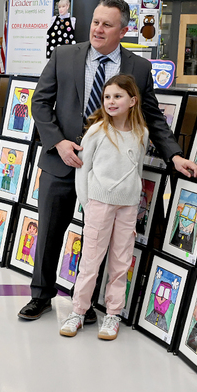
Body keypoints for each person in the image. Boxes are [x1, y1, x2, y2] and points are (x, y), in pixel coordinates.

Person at [18, 0, 197, 322]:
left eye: (107, 24)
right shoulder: (64, 55)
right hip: (63, 161)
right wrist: (58, 142)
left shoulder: (139, 69)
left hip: (107, 171)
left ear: (124, 30)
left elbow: (152, 116)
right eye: (96, 22)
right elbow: (40, 102)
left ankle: (83, 304)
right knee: (48, 231)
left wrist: (174, 155)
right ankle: (40, 295)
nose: (98, 29)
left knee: (98, 238)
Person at [60, 74, 151, 341]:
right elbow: (83, 170)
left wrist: (133, 199)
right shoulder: (98, 130)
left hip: (128, 206)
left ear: (132, 100)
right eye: (107, 97)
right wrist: (87, 203)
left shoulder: (141, 133)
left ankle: (113, 314)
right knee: (90, 261)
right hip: (98, 204)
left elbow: (138, 169)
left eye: (118, 96)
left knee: (121, 262)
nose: (111, 101)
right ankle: (78, 311)